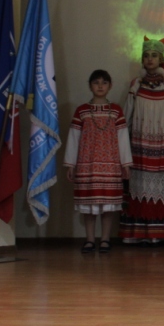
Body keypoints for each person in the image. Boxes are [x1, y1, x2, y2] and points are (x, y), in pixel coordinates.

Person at [119, 37, 164, 244]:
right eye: (146, 56)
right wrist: (121, 142)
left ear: (161, 59)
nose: (150, 59)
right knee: (138, 187)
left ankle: (161, 234)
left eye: (154, 56)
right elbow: (127, 114)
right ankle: (137, 234)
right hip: (139, 144)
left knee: (160, 188)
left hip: (162, 144)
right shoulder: (136, 84)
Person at [63, 70, 133, 253]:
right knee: (89, 206)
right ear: (90, 86)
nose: (100, 86)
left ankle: (105, 239)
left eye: (104, 83)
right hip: (87, 165)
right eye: (96, 82)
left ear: (110, 86)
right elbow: (74, 137)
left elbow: (123, 138)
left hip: (111, 165)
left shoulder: (116, 110)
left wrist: (126, 163)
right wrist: (70, 164)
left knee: (108, 206)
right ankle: (89, 240)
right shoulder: (82, 111)